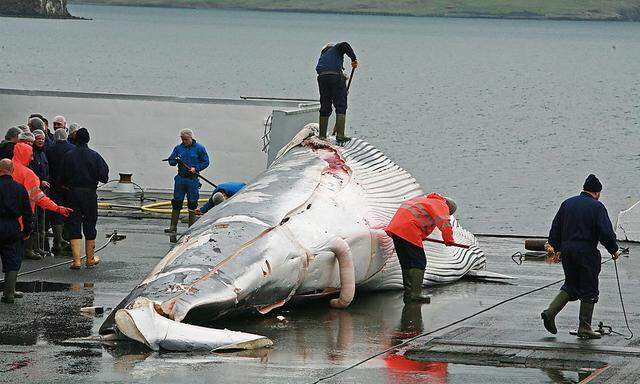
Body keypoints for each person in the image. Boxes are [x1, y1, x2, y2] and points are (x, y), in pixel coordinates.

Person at [541, 174, 621, 339]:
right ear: (597, 193)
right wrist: (613, 249)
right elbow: (605, 232)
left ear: (584, 189)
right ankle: (584, 327)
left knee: (571, 285)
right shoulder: (597, 207)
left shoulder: (567, 203)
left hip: (568, 252)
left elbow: (556, 227)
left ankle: (550, 313)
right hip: (586, 253)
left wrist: (554, 246)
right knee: (589, 288)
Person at [385, 193, 457, 303]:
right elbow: (444, 222)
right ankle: (415, 294)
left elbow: (419, 220)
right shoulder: (441, 204)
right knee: (419, 262)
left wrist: (420, 236)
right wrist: (449, 239)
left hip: (396, 230)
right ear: (448, 207)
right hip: (409, 230)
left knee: (407, 262)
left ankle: (409, 294)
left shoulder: (423, 200)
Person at [11, 143, 72, 260]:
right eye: (30, 155)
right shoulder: (28, 174)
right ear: (24, 154)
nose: (32, 158)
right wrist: (58, 208)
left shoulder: (5, 168)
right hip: (22, 218)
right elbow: (39, 198)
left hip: (5, 217)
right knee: (13, 260)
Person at [60, 128, 109, 269]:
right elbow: (104, 177)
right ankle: (90, 258)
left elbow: (61, 178)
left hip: (73, 194)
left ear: (75, 139)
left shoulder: (68, 156)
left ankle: (76, 261)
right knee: (90, 224)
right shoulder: (95, 156)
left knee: (74, 224)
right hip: (89, 194)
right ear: (88, 139)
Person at [0, 159, 34, 304]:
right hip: (11, 226)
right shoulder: (19, 189)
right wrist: (27, 230)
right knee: (12, 259)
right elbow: (27, 212)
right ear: (12, 170)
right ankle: (9, 293)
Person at [165, 129, 210, 233]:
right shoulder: (178, 148)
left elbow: (206, 162)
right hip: (180, 179)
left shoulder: (200, 148)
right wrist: (174, 159)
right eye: (182, 139)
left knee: (192, 202)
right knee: (176, 202)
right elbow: (171, 162)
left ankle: (191, 228)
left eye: (185, 139)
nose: (184, 141)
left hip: (192, 180)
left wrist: (196, 168)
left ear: (191, 138)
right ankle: (173, 227)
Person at [315, 42, 358, 144]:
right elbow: (344, 44)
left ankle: (322, 135)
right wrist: (353, 59)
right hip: (335, 78)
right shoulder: (336, 48)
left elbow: (329, 70)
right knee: (341, 105)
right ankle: (340, 135)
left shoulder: (323, 56)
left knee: (325, 105)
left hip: (322, 78)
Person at [46, 129, 75, 256]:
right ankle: (67, 238)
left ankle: (57, 241)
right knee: (68, 211)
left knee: (56, 212)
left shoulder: (49, 149)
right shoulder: (72, 148)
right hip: (68, 186)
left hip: (54, 186)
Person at [31, 130, 51, 256]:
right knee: (36, 218)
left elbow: (46, 170)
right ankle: (34, 247)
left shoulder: (43, 153)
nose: (40, 141)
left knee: (41, 217)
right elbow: (31, 172)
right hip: (35, 189)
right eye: (38, 139)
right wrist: (40, 181)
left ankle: (39, 246)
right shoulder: (32, 154)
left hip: (43, 190)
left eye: (42, 139)